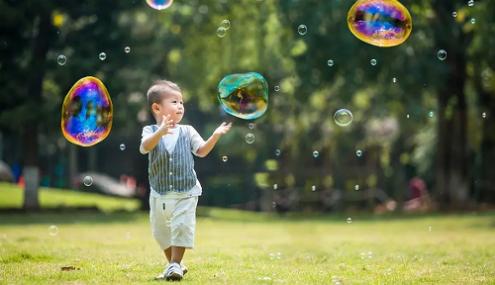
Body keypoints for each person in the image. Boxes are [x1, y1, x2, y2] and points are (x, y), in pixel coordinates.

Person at [140, 80, 232, 281]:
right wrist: (160, 132)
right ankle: (174, 265)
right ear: (157, 107)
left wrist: (215, 136)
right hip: (159, 193)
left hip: (186, 192)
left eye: (182, 102)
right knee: (160, 232)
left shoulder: (187, 131)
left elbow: (201, 151)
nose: (180, 106)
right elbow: (145, 147)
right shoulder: (150, 131)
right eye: (174, 101)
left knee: (181, 226)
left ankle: (174, 265)